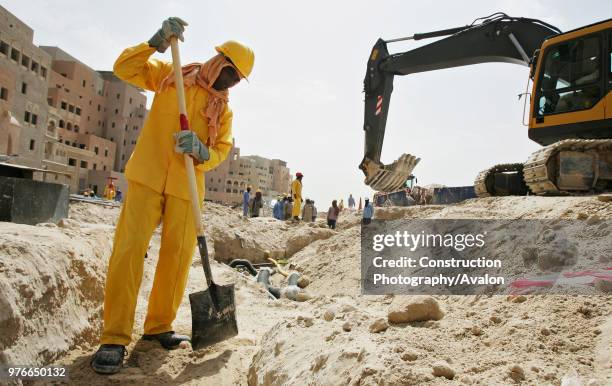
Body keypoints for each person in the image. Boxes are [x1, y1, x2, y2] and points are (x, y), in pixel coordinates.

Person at [90, 17, 255, 375]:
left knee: (177, 259)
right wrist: (156, 41)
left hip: (187, 188)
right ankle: (114, 337)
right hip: (148, 176)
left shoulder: (223, 110)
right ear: (218, 62)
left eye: (238, 80)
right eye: (231, 73)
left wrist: (202, 151)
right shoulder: (171, 74)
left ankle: (158, 326)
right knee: (130, 250)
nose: (232, 83)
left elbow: (222, 149)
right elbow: (124, 67)